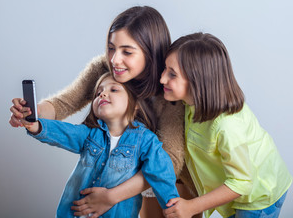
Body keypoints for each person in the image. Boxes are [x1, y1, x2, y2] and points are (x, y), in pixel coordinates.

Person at [9, 6, 201, 218]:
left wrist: (112, 196)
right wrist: (31, 113)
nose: (115, 60)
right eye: (111, 48)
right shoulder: (104, 70)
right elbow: (63, 103)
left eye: (127, 52)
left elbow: (170, 161)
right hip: (120, 173)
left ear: (150, 52)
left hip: (165, 181)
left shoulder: (168, 87)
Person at [160, 32, 292, 218]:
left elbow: (242, 182)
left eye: (172, 74)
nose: (162, 79)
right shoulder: (190, 103)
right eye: (165, 69)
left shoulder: (227, 125)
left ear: (198, 81)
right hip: (242, 187)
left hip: (259, 195)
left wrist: (192, 207)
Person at [22, 72, 180, 218]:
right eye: (98, 93)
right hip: (74, 213)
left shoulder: (145, 140)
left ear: (136, 103)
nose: (103, 94)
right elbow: (65, 132)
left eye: (114, 90)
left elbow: (161, 170)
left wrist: (171, 203)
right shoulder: (89, 134)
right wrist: (36, 127)